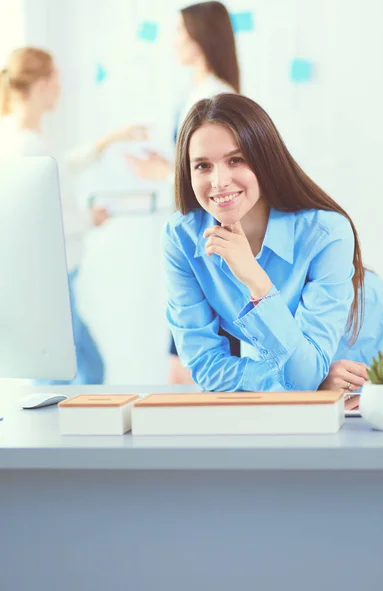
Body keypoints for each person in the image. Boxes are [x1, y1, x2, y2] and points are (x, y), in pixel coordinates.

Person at [163, 93, 383, 393]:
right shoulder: (181, 238)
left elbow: (303, 377)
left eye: (236, 160)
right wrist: (305, 380)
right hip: (312, 379)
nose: (219, 180)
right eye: (203, 166)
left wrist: (255, 278)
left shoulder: (327, 232)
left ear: (264, 159)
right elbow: (206, 366)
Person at [0, 47, 145, 383]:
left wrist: (110, 139)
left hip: (57, 274)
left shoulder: (26, 138)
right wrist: (88, 221)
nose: (60, 87)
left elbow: (62, 166)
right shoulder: (25, 146)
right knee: (67, 371)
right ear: (40, 86)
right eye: (56, 78)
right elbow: (37, 222)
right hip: (53, 274)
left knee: (82, 366)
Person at [126, 1, 241, 383]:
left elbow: (213, 181)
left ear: (200, 35)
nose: (174, 41)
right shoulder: (195, 92)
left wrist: (162, 172)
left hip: (210, 241)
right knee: (184, 364)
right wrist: (167, 166)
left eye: (179, 31)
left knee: (191, 367)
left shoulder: (214, 97)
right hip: (194, 241)